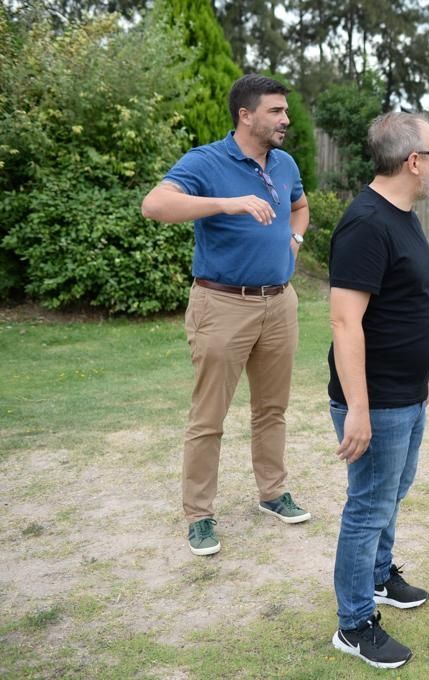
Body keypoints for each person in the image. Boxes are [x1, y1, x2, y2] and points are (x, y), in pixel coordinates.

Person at [140, 74, 310, 557]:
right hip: (222, 305)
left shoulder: (284, 163)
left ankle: (273, 493)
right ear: (246, 115)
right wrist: (226, 204)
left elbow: (300, 207)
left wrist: (295, 240)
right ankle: (199, 515)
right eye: (276, 111)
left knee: (272, 409)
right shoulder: (206, 160)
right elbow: (154, 205)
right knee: (208, 417)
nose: (285, 119)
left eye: (285, 110)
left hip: (279, 302)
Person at [326, 112, 429, 670]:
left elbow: (405, 304)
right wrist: (358, 408)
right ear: (413, 161)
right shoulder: (366, 224)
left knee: (391, 493)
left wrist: (421, 378)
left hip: (406, 392)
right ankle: (353, 624)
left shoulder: (403, 216)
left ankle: (377, 576)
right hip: (375, 399)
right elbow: (344, 321)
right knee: (369, 505)